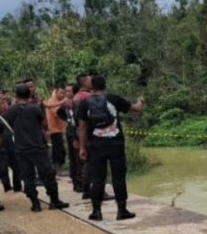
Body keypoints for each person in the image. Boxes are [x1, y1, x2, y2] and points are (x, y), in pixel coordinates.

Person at [77, 75, 144, 221]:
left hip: (96, 146)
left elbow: (82, 127)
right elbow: (136, 109)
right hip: (116, 144)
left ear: (91, 88)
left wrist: (82, 147)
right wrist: (140, 100)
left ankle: (96, 211)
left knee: (97, 178)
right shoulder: (114, 99)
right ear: (105, 85)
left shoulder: (84, 103)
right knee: (118, 178)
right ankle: (122, 210)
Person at [3, 84, 69, 213]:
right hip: (37, 147)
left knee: (28, 177)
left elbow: (6, 126)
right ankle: (54, 201)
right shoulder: (34, 108)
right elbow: (44, 124)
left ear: (16, 96)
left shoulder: (10, 111)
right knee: (48, 174)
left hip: (20, 149)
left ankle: (35, 204)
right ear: (29, 95)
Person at [59, 82, 83, 192]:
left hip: (73, 130)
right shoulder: (67, 103)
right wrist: (69, 120)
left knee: (76, 157)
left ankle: (78, 182)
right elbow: (59, 112)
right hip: (72, 131)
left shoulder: (74, 102)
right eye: (66, 91)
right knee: (75, 158)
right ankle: (77, 183)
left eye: (69, 91)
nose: (66, 93)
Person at [43, 85, 67, 173]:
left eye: (64, 93)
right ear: (56, 92)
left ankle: (58, 169)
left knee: (61, 150)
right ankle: (57, 170)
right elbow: (59, 113)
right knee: (57, 151)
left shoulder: (58, 101)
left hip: (59, 129)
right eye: (61, 93)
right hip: (54, 130)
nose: (63, 95)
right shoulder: (52, 101)